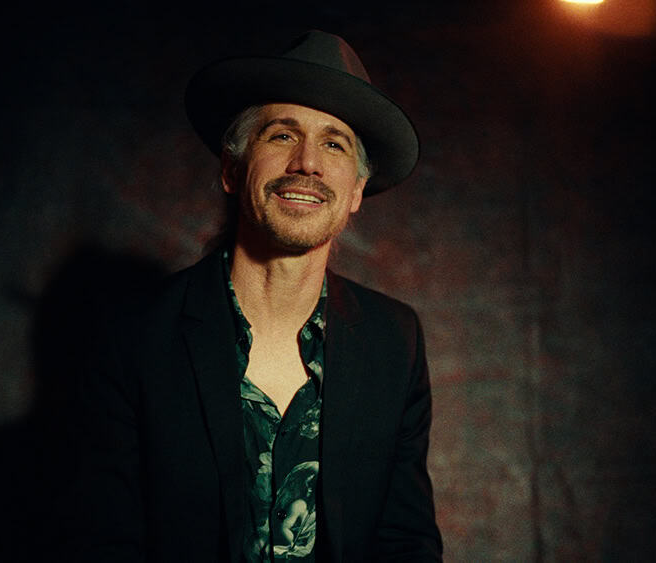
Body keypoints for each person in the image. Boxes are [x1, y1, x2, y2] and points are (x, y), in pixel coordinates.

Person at [71, 30, 442, 562]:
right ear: (231, 169)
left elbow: (407, 543)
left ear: (356, 191)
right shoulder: (134, 336)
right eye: (282, 136)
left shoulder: (395, 340)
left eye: (334, 143)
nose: (307, 163)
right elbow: (101, 544)